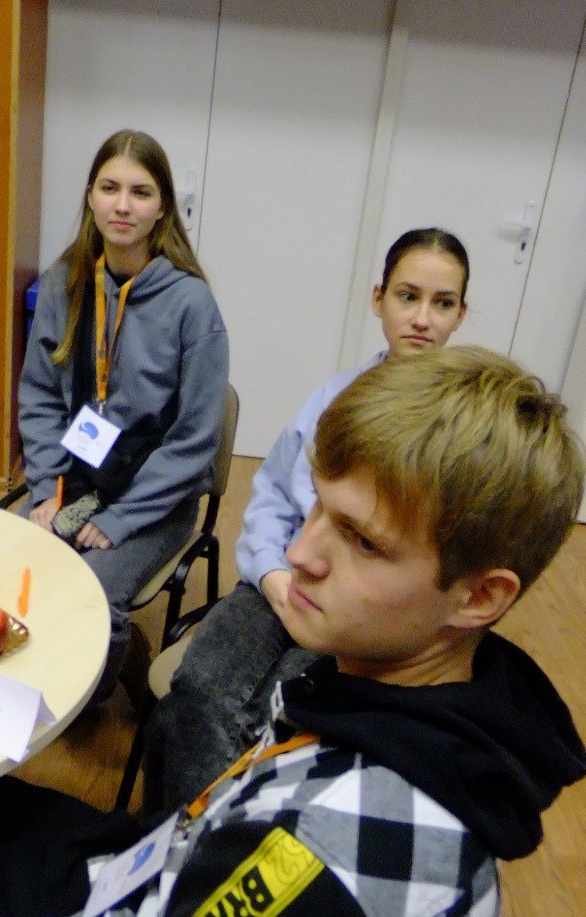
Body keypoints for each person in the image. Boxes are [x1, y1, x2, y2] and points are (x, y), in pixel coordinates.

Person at [0, 346, 586, 917]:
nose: (301, 553)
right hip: (171, 854)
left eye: (363, 541)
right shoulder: (403, 686)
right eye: (318, 508)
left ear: (479, 596)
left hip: (158, 882)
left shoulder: (322, 849)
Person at [144, 227, 470, 812]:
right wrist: (271, 573)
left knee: (280, 716)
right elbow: (272, 494)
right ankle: (190, 842)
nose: (422, 318)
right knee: (198, 689)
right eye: (407, 296)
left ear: (460, 315)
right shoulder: (333, 398)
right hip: (281, 579)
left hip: (359, 610)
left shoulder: (464, 432)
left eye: (442, 303)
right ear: (379, 300)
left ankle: (217, 837)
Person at [18, 129, 229, 703]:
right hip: (76, 479)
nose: (122, 205)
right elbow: (39, 397)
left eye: (140, 192)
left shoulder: (191, 305)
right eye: (109, 188)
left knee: (92, 590)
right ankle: (40, 674)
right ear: (90, 196)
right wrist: (47, 488)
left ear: (163, 207)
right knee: (15, 558)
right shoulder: (65, 283)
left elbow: (195, 440)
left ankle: (83, 702)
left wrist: (122, 519)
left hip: (155, 497)